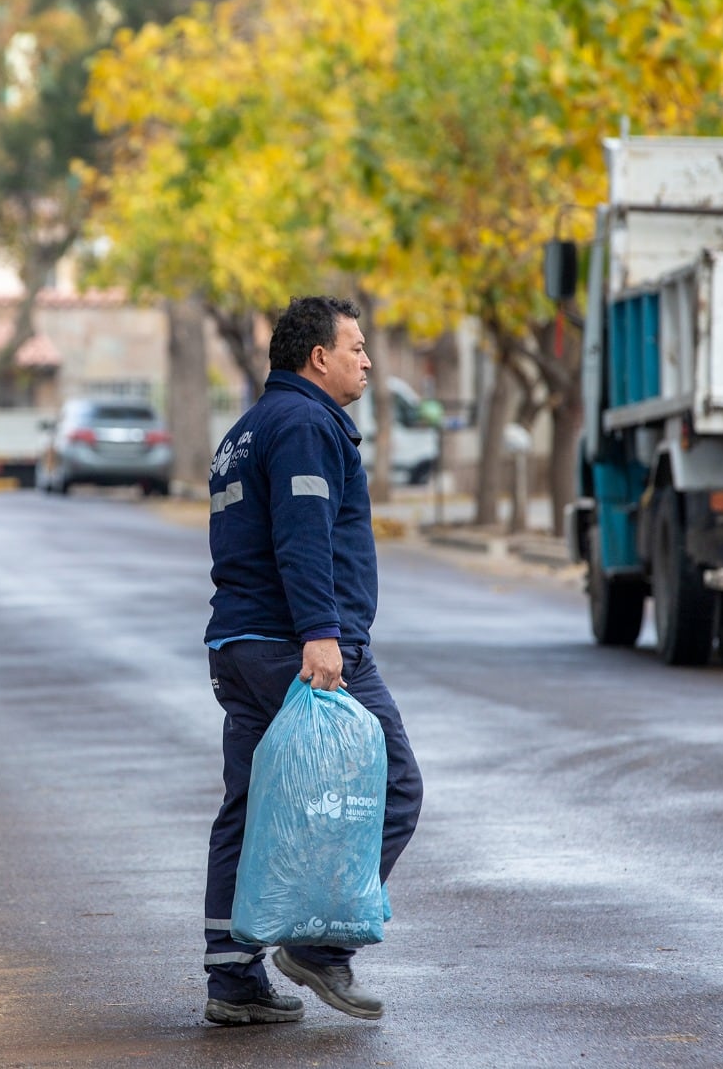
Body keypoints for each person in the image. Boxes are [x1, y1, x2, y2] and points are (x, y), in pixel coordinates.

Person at [200, 294, 424, 1027]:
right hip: (300, 647)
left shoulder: (246, 429)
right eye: (355, 347)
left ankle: (232, 976)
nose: (366, 359)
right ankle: (321, 946)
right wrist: (322, 632)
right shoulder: (302, 423)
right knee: (389, 781)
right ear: (317, 357)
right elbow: (301, 533)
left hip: (239, 644)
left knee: (252, 800)